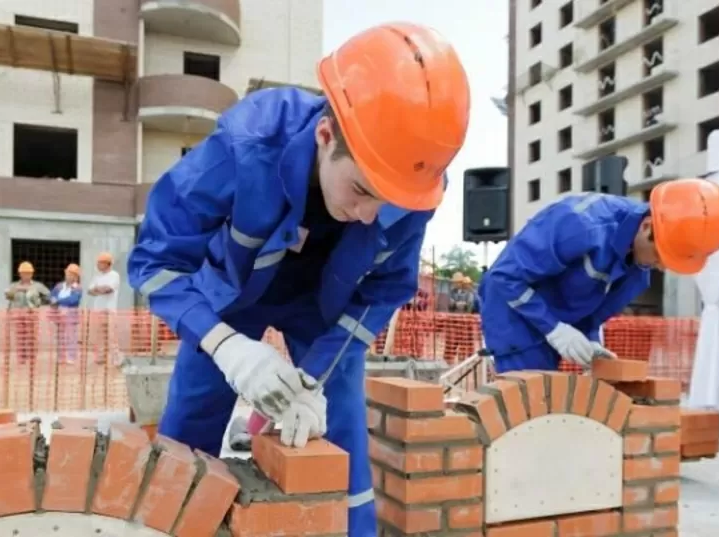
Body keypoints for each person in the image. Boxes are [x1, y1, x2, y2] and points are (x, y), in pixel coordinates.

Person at [127, 22, 470, 536]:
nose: (369, 215)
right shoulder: (247, 144)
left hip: (323, 310)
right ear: (326, 135)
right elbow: (154, 262)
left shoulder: (411, 183)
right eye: (360, 189)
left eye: (389, 201)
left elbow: (385, 289)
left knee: (343, 440)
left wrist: (315, 377)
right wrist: (225, 345)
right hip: (230, 302)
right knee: (188, 437)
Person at [479, 178, 719, 373]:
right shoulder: (580, 225)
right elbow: (504, 277)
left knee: (549, 403)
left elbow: (591, 310)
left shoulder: (637, 269)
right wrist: (554, 329)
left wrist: (591, 341)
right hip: (514, 316)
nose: (661, 266)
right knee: (529, 405)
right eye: (661, 255)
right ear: (647, 228)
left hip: (554, 320)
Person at [5, 262, 51, 364]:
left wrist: (39, 301)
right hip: (18, 315)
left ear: (32, 274)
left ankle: (32, 358)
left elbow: (48, 295)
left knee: (31, 336)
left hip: (32, 315)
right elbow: (7, 295)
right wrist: (17, 290)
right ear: (19, 274)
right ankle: (21, 358)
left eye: (28, 273)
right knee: (20, 336)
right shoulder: (14, 285)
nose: (26, 275)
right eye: (24, 273)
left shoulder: (37, 286)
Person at [87, 252, 121, 364]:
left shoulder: (114, 275)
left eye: (101, 262)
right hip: (98, 310)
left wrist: (97, 289)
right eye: (98, 262)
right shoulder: (97, 276)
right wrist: (99, 289)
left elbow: (109, 289)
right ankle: (101, 357)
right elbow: (90, 291)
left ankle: (115, 359)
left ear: (108, 263)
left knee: (112, 336)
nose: (98, 265)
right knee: (99, 336)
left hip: (110, 310)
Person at [49, 264, 83, 364]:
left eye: (73, 274)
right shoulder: (59, 286)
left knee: (71, 336)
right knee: (60, 336)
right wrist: (52, 302)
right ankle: (61, 357)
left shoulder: (77, 288)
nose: (70, 276)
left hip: (71, 314)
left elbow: (73, 300)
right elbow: (52, 296)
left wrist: (58, 301)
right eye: (69, 273)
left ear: (77, 277)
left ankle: (71, 357)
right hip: (59, 313)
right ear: (65, 273)